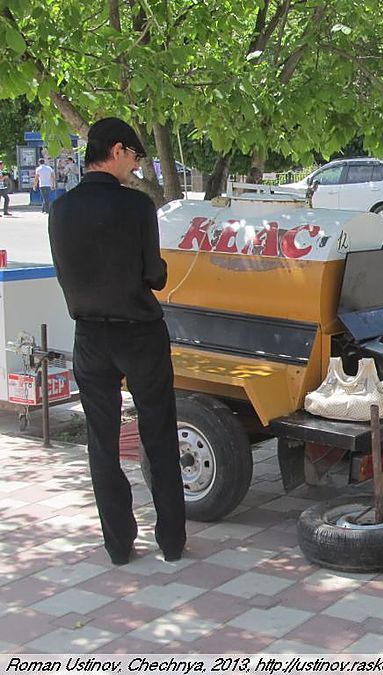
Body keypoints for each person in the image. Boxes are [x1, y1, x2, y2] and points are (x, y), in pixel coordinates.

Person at [48, 117, 186, 565]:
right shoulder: (137, 207)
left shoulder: (60, 209)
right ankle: (171, 540)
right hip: (139, 332)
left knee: (102, 441)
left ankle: (118, 544)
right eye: (135, 158)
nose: (136, 167)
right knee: (158, 432)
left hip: (89, 335)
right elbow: (153, 274)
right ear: (119, 150)